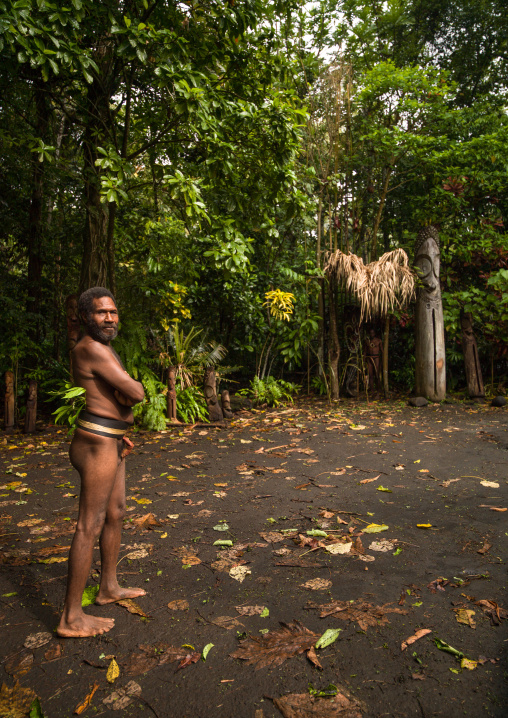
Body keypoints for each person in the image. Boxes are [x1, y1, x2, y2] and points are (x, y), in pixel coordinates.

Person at [57, 287, 146, 638]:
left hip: (111, 439)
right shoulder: (91, 348)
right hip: (96, 444)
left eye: (113, 311)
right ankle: (70, 617)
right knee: (88, 524)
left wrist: (121, 407)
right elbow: (135, 393)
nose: (109, 318)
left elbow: (120, 394)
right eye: (100, 312)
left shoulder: (102, 348)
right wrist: (129, 392)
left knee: (116, 512)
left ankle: (108, 587)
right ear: (84, 317)